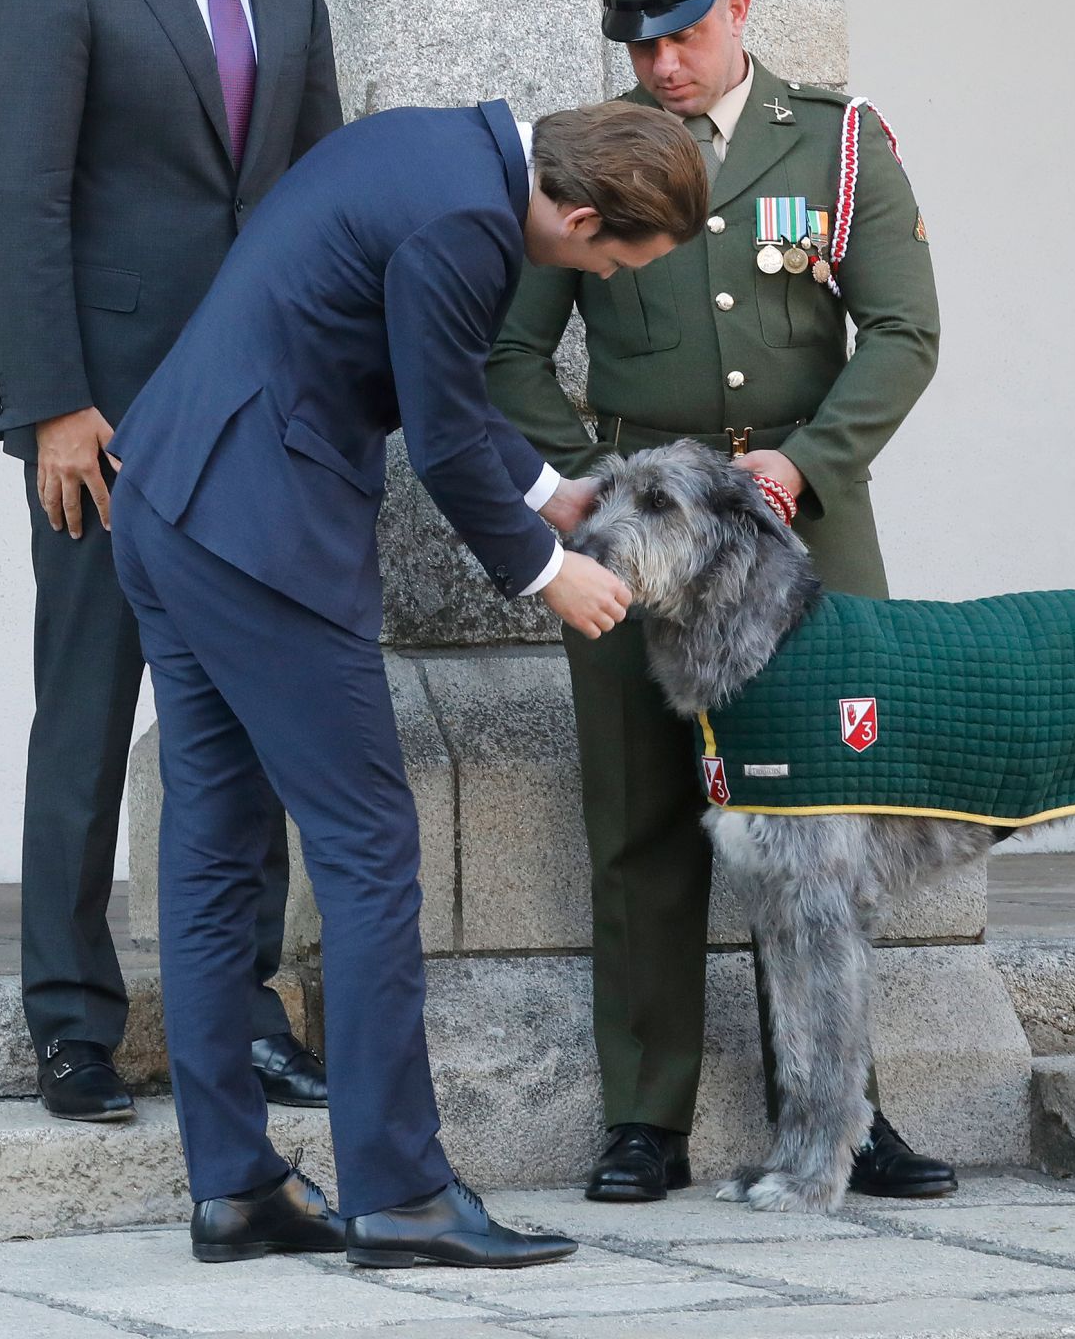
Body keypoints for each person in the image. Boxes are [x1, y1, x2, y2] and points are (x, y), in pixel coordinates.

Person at [108, 98, 708, 1266]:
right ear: (581, 214)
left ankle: (234, 1186)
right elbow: (435, 437)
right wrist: (550, 575)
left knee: (213, 847)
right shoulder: (467, 225)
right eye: (613, 258)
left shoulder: (441, 152)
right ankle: (402, 1192)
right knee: (370, 850)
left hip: (172, 498)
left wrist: (550, 492)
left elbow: (432, 384)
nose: (602, 273)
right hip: (257, 527)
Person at [487, 0, 955, 1201]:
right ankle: (645, 1117)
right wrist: (578, 494)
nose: (663, 68)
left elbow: (903, 333)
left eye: (684, 34)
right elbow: (510, 351)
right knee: (639, 816)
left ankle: (850, 1115)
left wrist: (805, 460)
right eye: (639, 46)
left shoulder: (841, 143)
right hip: (641, 541)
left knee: (825, 822)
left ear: (737, 9)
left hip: (803, 534)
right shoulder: (584, 156)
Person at [0, 0, 342, 1123]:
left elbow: (315, 192)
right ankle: (72, 1022)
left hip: (256, 420)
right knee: (87, 711)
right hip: (105, 426)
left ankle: (237, 1009)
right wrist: (53, 407)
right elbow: (19, 203)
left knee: (241, 723)